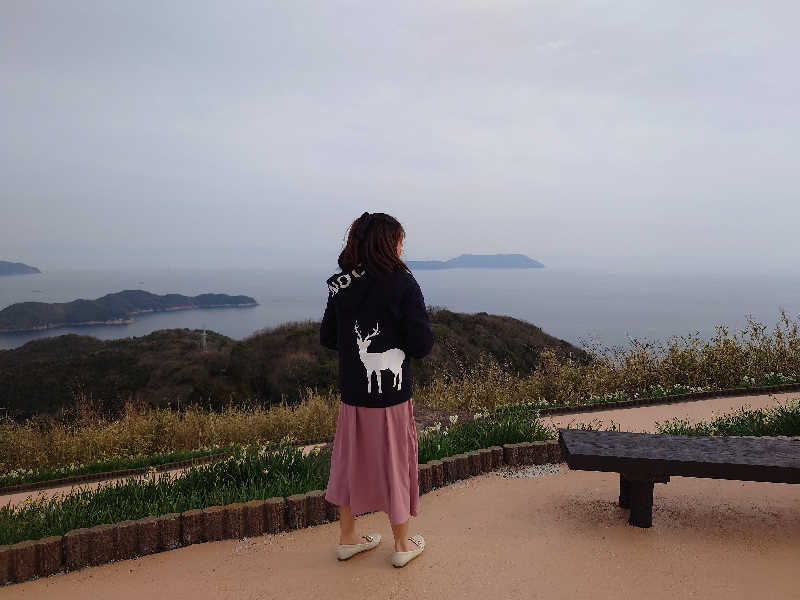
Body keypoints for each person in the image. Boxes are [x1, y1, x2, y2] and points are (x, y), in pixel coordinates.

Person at [320, 211, 435, 568]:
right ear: (388, 243)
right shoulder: (402, 281)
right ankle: (402, 544)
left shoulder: (341, 283)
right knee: (395, 464)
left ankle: (348, 539)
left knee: (348, 463)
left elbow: (328, 338)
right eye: (400, 241)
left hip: (353, 396)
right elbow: (421, 343)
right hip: (391, 400)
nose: (402, 248)